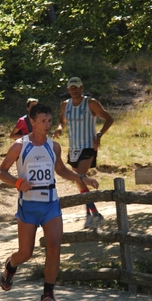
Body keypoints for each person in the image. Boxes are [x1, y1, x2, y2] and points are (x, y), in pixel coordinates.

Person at [0, 103, 99, 301]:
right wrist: (18, 183)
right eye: (43, 121)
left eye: (50, 120)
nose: (47, 124)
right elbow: (1, 172)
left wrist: (81, 178)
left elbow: (61, 169)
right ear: (32, 122)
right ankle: (11, 264)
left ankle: (48, 294)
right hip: (28, 206)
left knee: (54, 246)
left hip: (50, 204)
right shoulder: (19, 145)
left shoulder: (53, 146)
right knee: (25, 253)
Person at [53, 77, 114, 229]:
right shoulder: (65, 105)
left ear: (81, 88)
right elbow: (62, 121)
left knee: (80, 177)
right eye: (70, 87)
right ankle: (91, 214)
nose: (73, 90)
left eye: (76, 87)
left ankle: (94, 214)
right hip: (73, 148)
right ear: (68, 89)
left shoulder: (90, 103)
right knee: (78, 179)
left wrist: (99, 135)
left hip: (88, 146)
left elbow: (109, 119)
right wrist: (60, 127)